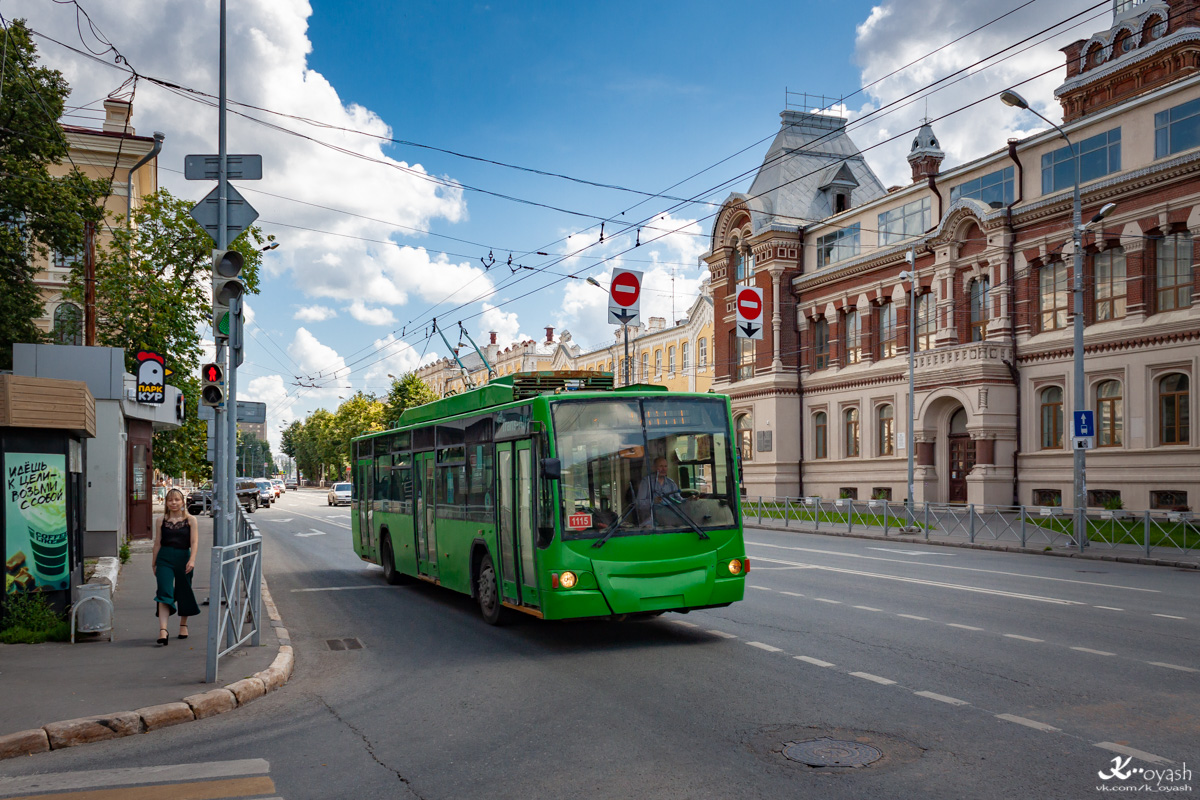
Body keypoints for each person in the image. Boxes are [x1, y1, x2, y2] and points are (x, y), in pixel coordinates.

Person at [152, 488, 200, 646]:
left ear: (182, 502)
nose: (173, 503)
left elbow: (194, 542)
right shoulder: (161, 520)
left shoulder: (190, 520)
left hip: (183, 557)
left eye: (177, 500)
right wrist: (154, 562)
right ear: (166, 502)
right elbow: (157, 543)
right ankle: (163, 630)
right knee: (164, 591)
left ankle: (183, 625)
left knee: (184, 590)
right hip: (164, 557)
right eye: (170, 500)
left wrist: (192, 560)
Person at [636, 457, 680, 524]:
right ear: (654, 468)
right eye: (661, 466)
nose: (663, 469)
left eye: (665, 466)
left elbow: (679, 500)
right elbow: (639, 504)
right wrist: (653, 501)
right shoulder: (646, 482)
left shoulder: (671, 483)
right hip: (652, 520)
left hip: (670, 521)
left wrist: (689, 499)